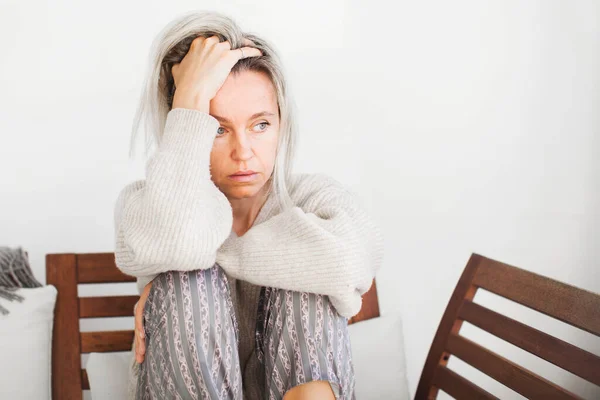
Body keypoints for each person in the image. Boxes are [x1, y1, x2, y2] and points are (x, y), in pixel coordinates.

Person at [113, 10, 384, 400]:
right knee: (184, 281)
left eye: (260, 125)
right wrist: (188, 100)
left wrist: (218, 254)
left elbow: (348, 262)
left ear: (281, 123)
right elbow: (178, 240)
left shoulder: (315, 198)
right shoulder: (146, 202)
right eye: (217, 128)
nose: (243, 153)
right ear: (184, 127)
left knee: (303, 282)